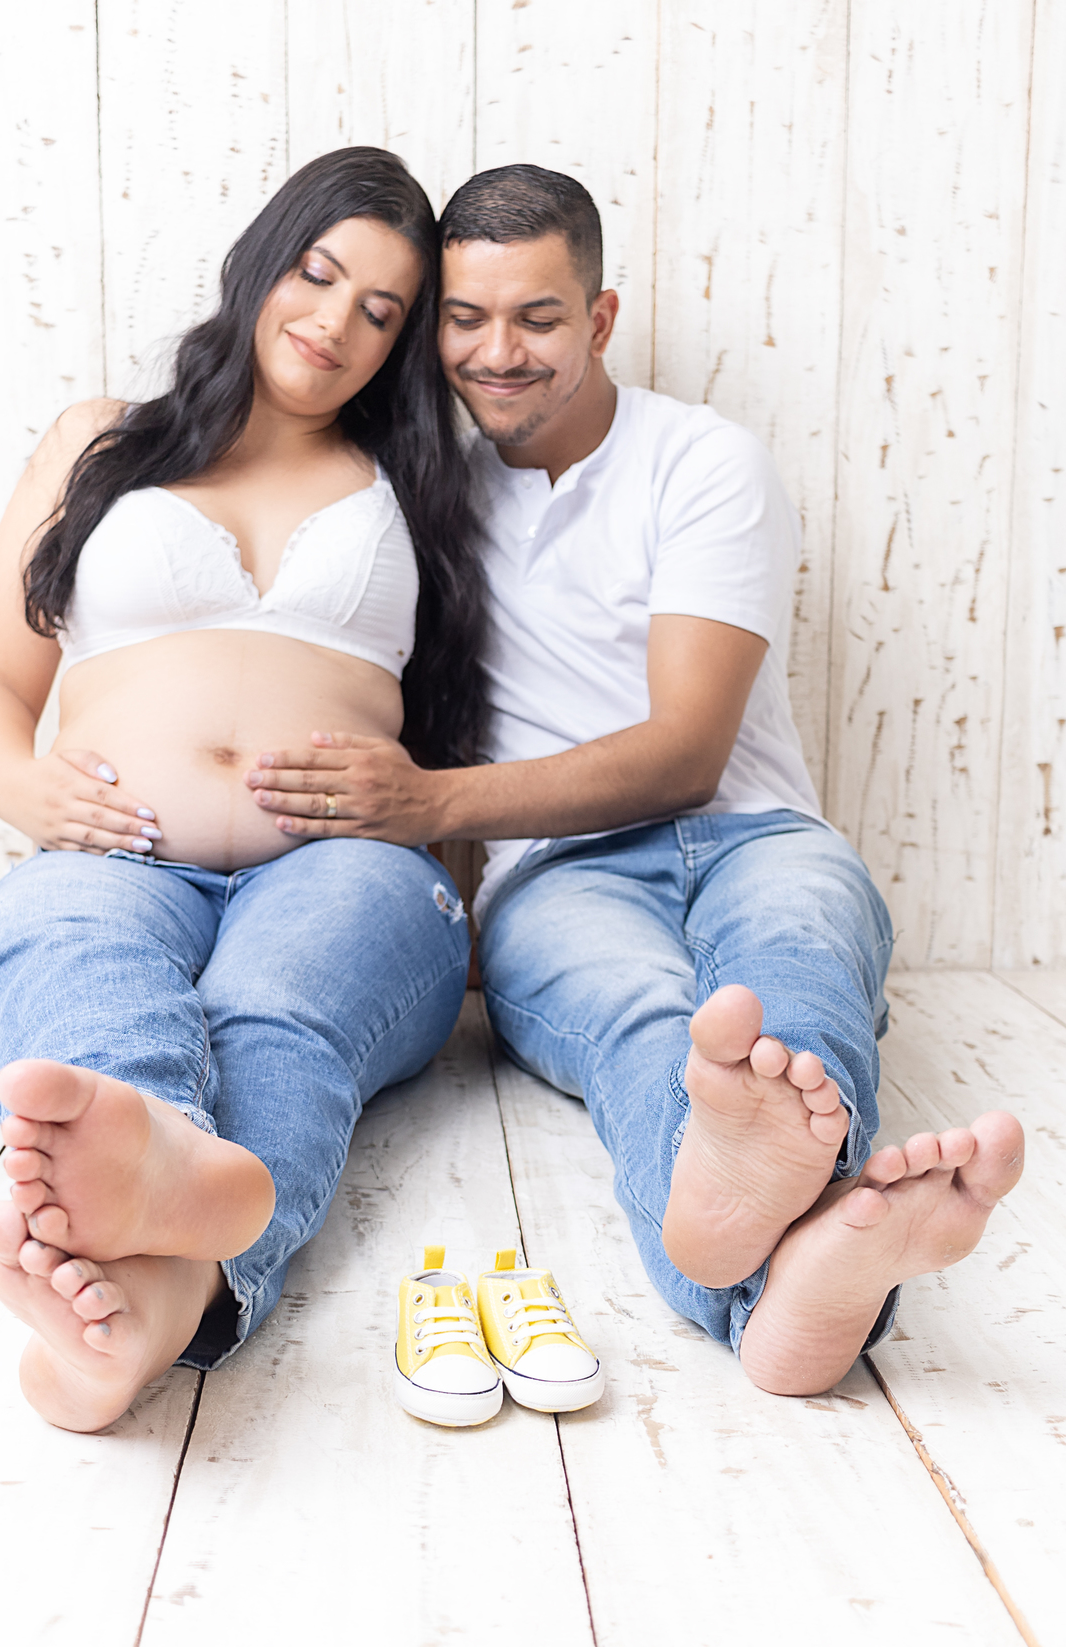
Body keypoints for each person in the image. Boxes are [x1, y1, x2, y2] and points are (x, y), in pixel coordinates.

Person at [245, 163, 1025, 1397]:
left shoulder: (702, 464)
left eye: (538, 319)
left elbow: (686, 753)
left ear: (599, 319)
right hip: (557, 878)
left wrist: (430, 803)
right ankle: (799, 1284)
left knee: (793, 983)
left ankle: (762, 1256)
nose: (497, 353)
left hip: (758, 831)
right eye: (464, 318)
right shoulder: (419, 494)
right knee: (647, 1027)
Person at [0, 148, 487, 1432]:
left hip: (348, 867)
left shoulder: (418, 477)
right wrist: (31, 795)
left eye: (383, 311)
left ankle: (159, 1217)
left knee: (275, 1014)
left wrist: (435, 818)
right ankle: (162, 1296)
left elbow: (470, 712)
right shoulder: (101, 443)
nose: (337, 322)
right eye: (320, 272)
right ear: (263, 259)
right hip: (115, 854)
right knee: (57, 942)